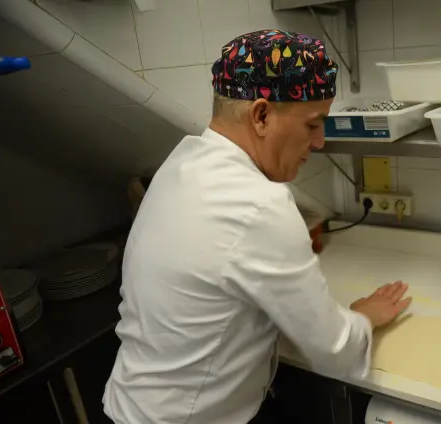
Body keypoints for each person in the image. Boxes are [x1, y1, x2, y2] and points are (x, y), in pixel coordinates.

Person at [102, 29, 411, 424]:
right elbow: (335, 351)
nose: (319, 143)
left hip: (132, 403)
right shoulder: (257, 203)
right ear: (262, 115)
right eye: (313, 125)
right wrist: (365, 317)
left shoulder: (181, 163)